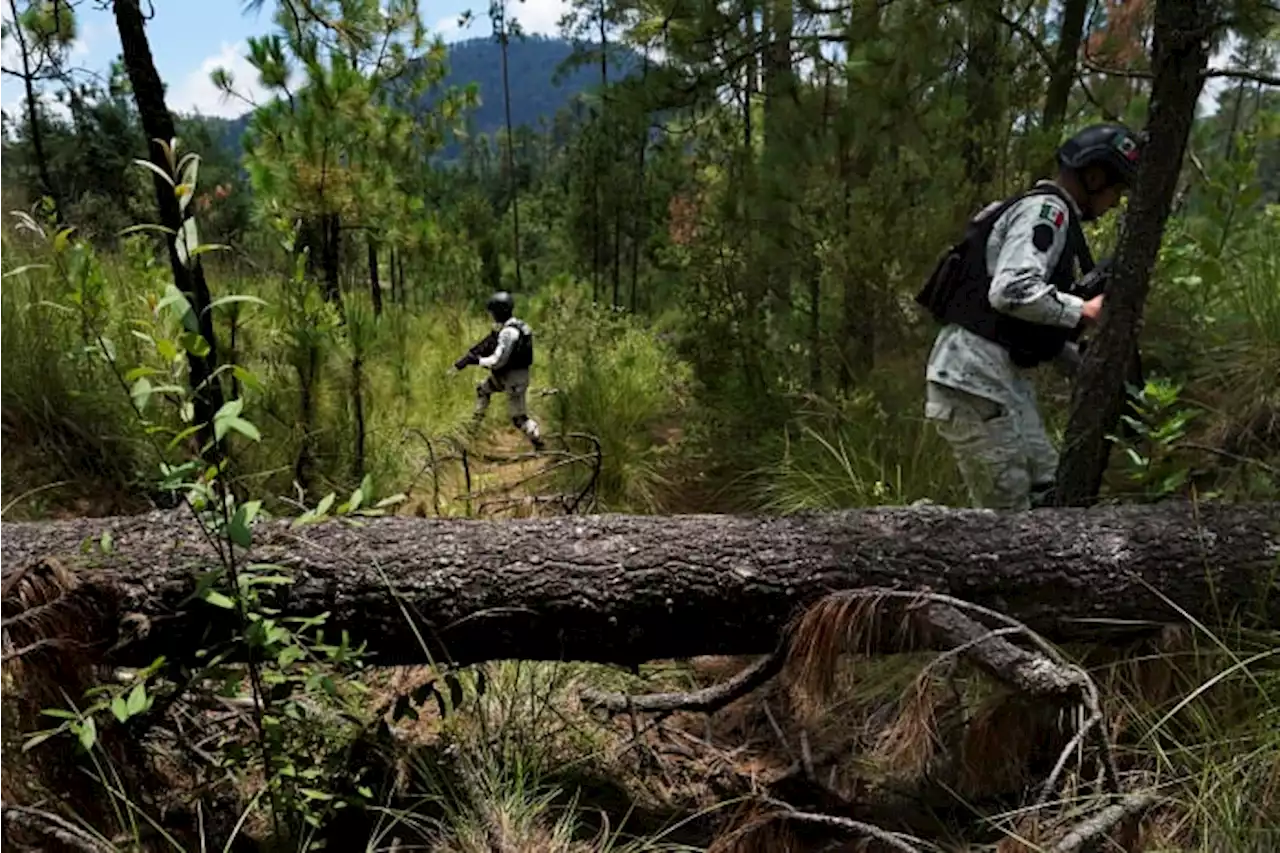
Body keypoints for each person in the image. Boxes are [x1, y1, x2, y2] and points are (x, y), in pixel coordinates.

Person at [917, 122, 1144, 510]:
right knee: (1009, 522)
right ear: (1093, 176)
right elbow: (1010, 292)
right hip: (974, 381)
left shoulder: (1047, 215)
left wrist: (1087, 368)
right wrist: (1084, 309)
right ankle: (913, 546)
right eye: (1116, 189)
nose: (1116, 202)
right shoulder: (1046, 211)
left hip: (996, 380)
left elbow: (1026, 326)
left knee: (1049, 492)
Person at [452, 291, 545, 451]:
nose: (491, 316)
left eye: (493, 312)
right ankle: (473, 428)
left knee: (519, 419)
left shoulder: (508, 333)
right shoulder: (518, 326)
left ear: (498, 312)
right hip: (507, 376)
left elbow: (497, 361)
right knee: (482, 389)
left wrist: (476, 361)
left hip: (514, 379)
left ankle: (539, 442)